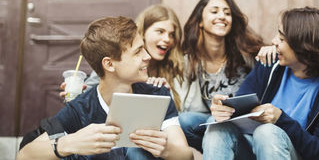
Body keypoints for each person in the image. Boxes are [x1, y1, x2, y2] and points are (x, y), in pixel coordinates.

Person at [17, 16, 193, 160]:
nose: (147, 56)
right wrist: (70, 143)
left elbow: (186, 155)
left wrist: (166, 150)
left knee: (138, 153)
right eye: (138, 51)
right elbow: (24, 156)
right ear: (109, 64)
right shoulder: (81, 108)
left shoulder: (157, 95)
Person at [202, 7, 319, 160]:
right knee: (217, 126)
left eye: (281, 38)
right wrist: (225, 108)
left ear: (303, 46)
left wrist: (281, 119)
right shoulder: (271, 64)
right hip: (253, 148)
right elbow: (241, 105)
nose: (273, 41)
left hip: (292, 153)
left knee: (266, 131)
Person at [177, 0, 269, 152]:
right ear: (200, 21)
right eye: (214, 11)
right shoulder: (191, 61)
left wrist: (271, 49)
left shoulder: (247, 54)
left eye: (227, 13)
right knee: (184, 120)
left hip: (248, 130)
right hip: (214, 122)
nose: (222, 16)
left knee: (217, 122)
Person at [60, 5, 186, 111]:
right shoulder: (116, 61)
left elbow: (177, 114)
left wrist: (166, 94)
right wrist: (77, 95)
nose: (167, 39)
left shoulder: (175, 65)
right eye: (160, 31)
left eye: (172, 35)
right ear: (143, 31)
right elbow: (87, 97)